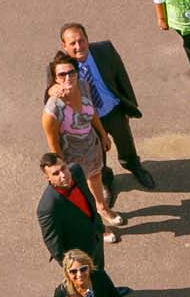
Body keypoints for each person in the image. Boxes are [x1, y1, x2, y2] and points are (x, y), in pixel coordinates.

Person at [57, 23, 156, 190]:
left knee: (126, 142)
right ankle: (105, 179)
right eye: (72, 43)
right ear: (64, 45)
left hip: (113, 110)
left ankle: (133, 166)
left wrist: (129, 105)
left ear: (88, 40)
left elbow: (121, 76)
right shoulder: (61, 66)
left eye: (82, 41)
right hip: (88, 121)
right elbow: (48, 94)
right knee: (96, 154)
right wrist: (54, 88)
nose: (78, 46)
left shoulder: (105, 50)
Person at [42, 53, 120, 227]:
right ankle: (98, 226)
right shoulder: (52, 109)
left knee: (96, 177)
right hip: (71, 157)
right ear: (55, 79)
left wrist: (102, 134)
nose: (68, 77)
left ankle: (103, 208)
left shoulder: (84, 86)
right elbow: (53, 143)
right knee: (81, 193)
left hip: (91, 147)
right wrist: (64, 168)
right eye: (62, 74)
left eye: (71, 72)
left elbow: (92, 112)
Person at [37, 154, 113, 262]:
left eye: (63, 168)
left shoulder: (76, 170)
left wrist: (99, 227)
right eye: (56, 173)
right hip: (80, 254)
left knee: (100, 268)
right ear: (48, 178)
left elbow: (89, 199)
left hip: (96, 236)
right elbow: (54, 245)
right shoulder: (48, 207)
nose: (63, 175)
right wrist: (73, 267)